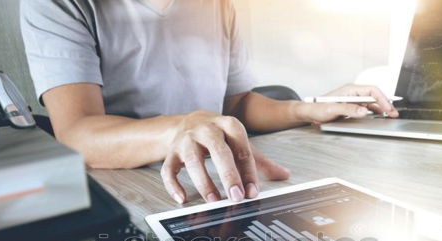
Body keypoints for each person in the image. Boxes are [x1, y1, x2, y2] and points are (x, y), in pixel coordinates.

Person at [20, 0, 398, 204]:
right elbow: (77, 133)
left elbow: (235, 106)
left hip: (217, 176)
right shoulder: (56, 4)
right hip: (132, 188)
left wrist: (306, 108)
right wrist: (179, 128)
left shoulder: (219, 4)